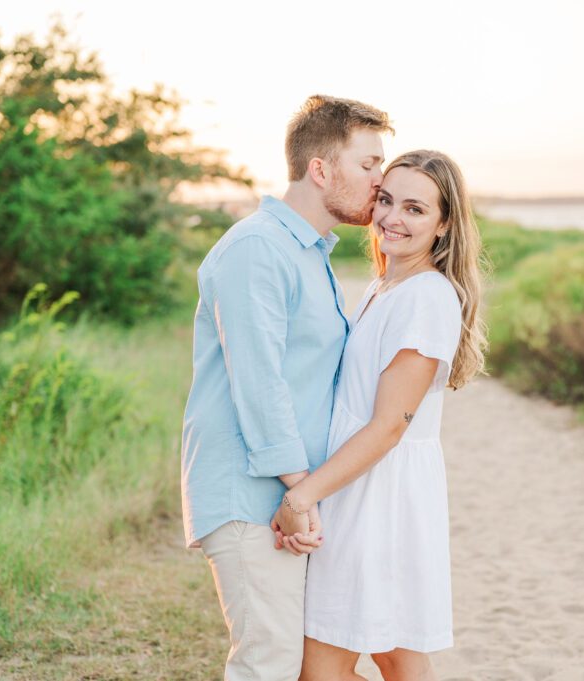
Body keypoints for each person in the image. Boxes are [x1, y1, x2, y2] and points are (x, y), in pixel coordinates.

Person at [180, 94, 393, 681]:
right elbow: (259, 385)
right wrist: (301, 493)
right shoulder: (257, 250)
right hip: (252, 496)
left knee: (298, 663)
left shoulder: (307, 253)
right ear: (321, 169)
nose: (381, 180)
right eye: (369, 164)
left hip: (285, 497)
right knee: (267, 664)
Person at [271, 150, 488, 681]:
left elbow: (391, 425)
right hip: (361, 485)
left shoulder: (426, 297)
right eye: (386, 200)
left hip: (379, 497)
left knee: (322, 671)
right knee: (398, 657)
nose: (393, 217)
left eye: (415, 209)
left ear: (444, 225)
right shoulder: (383, 286)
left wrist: (303, 494)